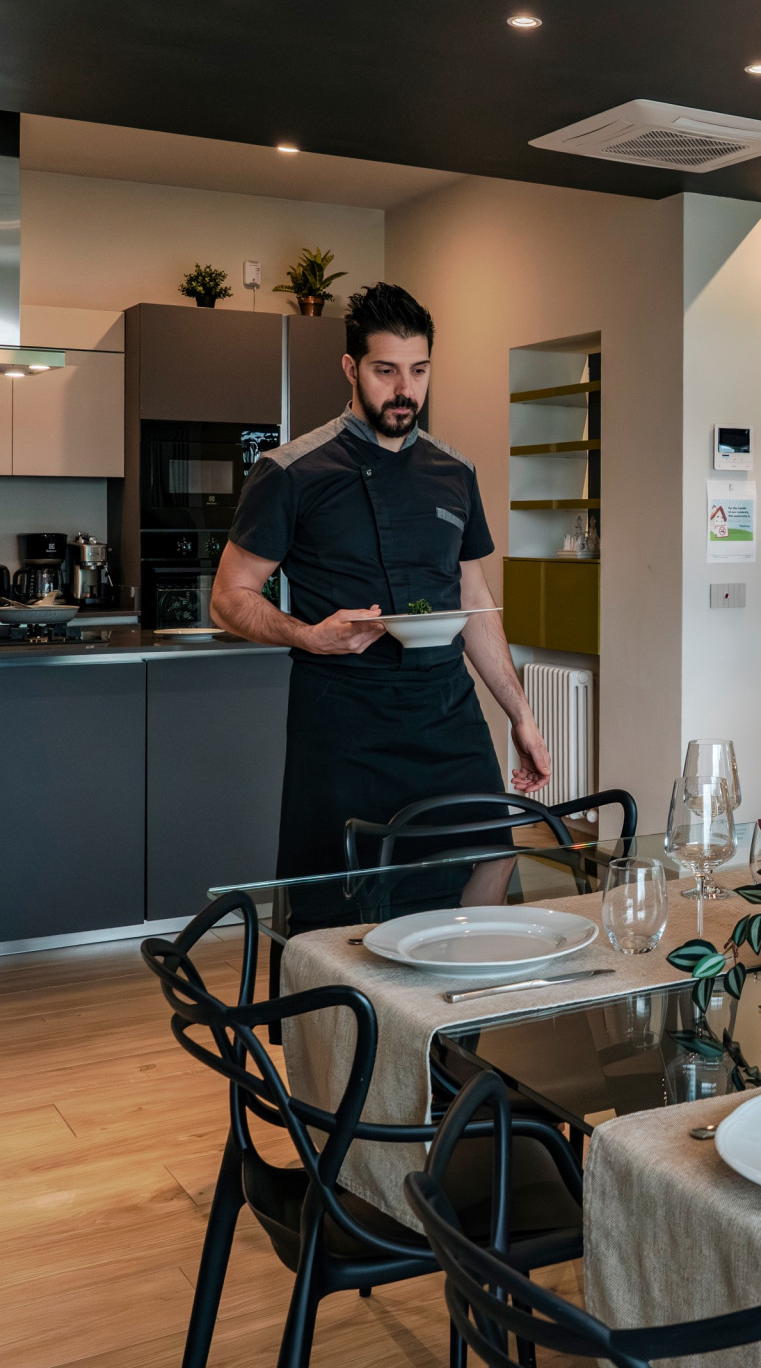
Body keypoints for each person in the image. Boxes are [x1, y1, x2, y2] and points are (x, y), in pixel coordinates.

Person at [211, 282, 549, 924]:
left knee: (489, 857)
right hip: (345, 719)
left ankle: (456, 992)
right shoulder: (291, 471)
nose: (404, 390)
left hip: (447, 712)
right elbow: (228, 598)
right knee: (343, 896)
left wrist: (521, 715)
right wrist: (308, 634)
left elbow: (473, 599)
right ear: (351, 368)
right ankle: (346, 992)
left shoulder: (455, 471)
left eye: (418, 371)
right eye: (385, 370)